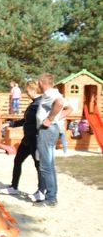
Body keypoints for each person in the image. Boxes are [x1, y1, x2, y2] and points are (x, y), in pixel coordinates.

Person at [0, 81, 44, 200]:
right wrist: (11, 123)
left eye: (28, 90)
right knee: (18, 160)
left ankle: (41, 191)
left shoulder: (40, 104)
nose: (26, 93)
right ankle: (14, 187)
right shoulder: (33, 104)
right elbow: (26, 121)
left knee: (38, 165)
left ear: (34, 90)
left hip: (36, 139)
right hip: (27, 139)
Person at [35, 73, 72, 207]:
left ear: (40, 83)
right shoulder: (56, 92)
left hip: (46, 131)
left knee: (45, 166)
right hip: (52, 130)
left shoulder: (50, 93)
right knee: (49, 165)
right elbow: (69, 109)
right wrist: (55, 118)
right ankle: (51, 196)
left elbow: (60, 103)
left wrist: (50, 119)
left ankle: (50, 199)